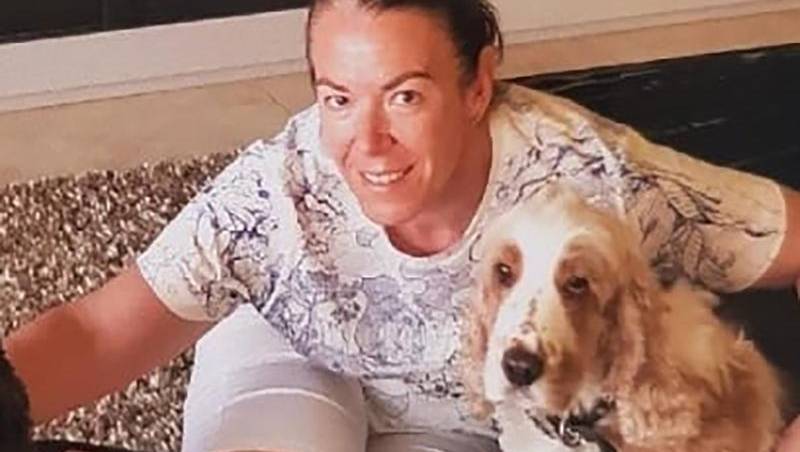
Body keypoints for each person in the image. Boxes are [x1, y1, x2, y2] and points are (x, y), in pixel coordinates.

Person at [4, 0, 800, 450]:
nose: (367, 143)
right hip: (298, 351)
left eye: (405, 96)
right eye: (338, 98)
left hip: (475, 412)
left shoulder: (592, 180)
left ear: (478, 86)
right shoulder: (272, 199)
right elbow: (94, 333)